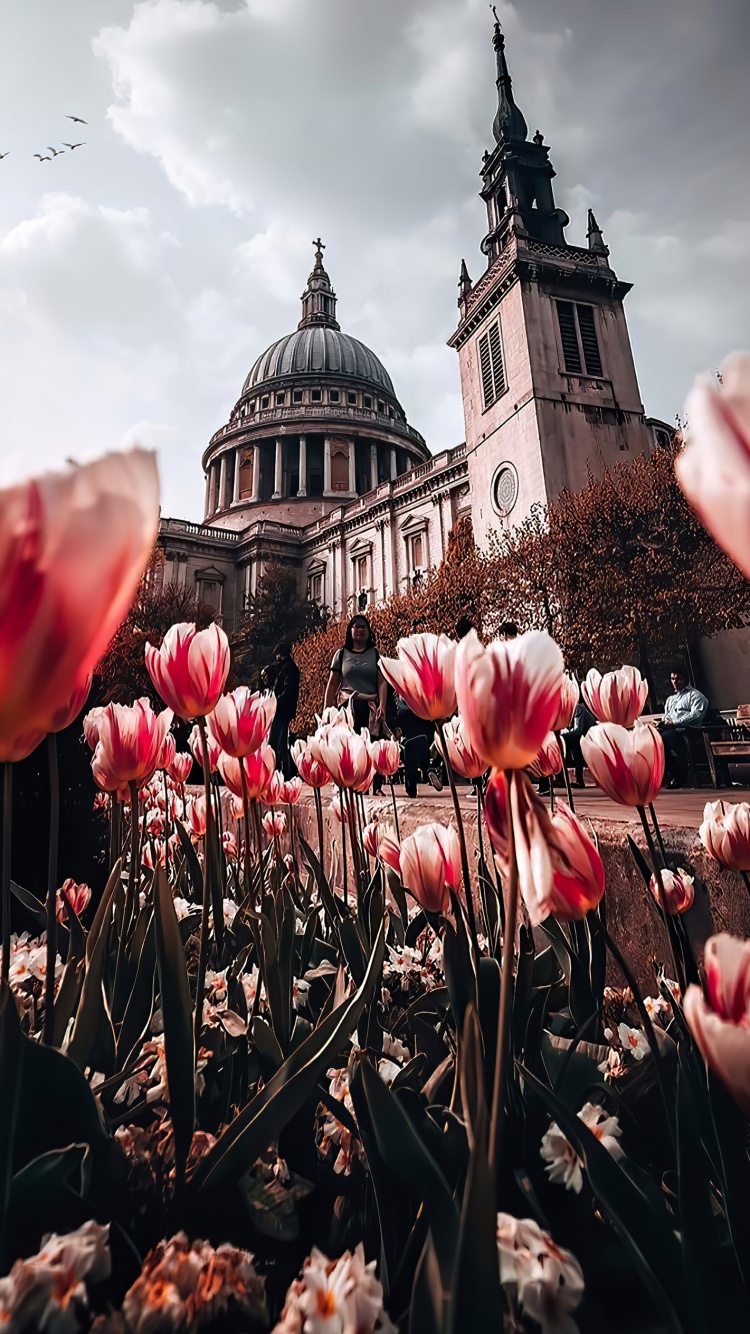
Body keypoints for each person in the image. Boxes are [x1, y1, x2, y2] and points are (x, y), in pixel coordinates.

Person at [659, 668, 709, 788]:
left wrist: (675, 722)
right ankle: (663, 775)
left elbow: (696, 714)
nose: (675, 682)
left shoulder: (696, 696)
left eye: (678, 679)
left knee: (666, 737)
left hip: (689, 731)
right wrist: (662, 722)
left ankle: (678, 777)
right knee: (652, 737)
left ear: (686, 679)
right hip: (670, 729)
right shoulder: (671, 699)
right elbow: (667, 716)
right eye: (672, 679)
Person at [266, 642, 300, 780]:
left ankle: (285, 774)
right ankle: (281, 773)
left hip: (282, 712)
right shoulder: (286, 667)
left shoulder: (289, 669)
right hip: (282, 711)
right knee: (278, 744)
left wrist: (275, 701)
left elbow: (288, 691)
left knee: (280, 745)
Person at [564, 697, 596, 788]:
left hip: (589, 736)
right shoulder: (566, 709)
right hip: (579, 736)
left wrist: (564, 735)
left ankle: (579, 780)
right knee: (568, 741)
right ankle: (561, 779)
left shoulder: (577, 708)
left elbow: (578, 730)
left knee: (573, 743)